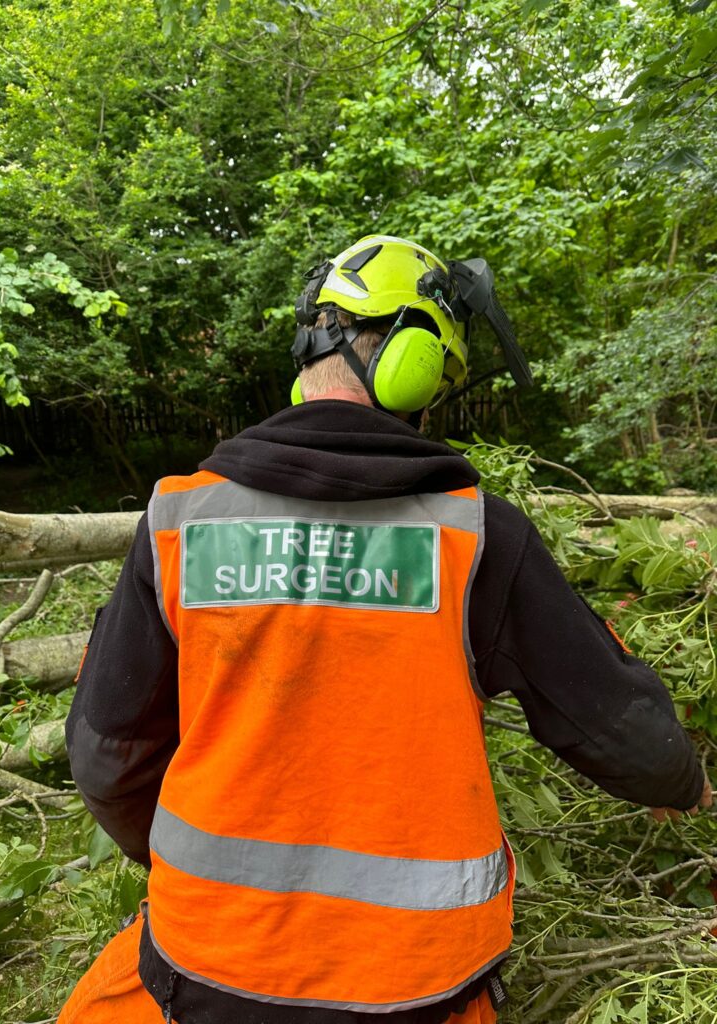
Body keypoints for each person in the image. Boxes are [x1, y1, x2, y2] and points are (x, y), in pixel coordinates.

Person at [59, 235, 711, 1024]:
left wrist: (188, 866)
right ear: (416, 365)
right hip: (418, 986)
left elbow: (105, 754)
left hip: (208, 967)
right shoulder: (475, 538)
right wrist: (679, 781)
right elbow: (618, 724)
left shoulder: (179, 519)